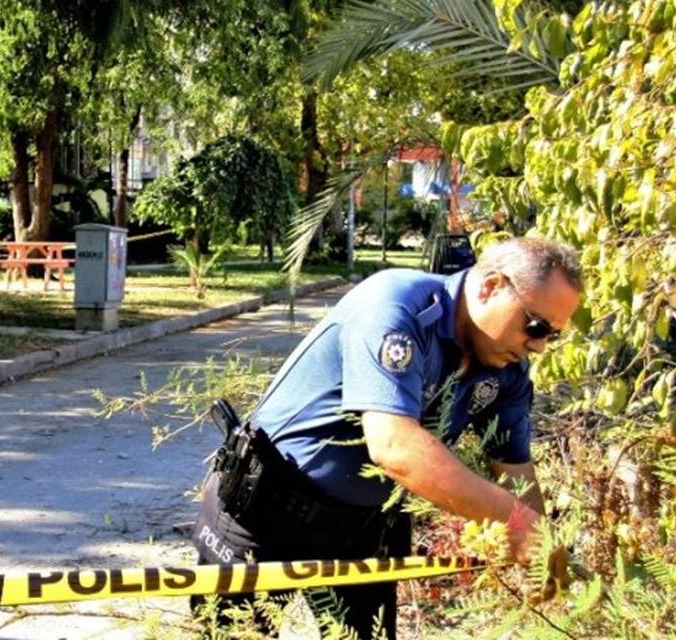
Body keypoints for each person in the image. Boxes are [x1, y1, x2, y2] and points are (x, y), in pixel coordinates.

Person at [190, 237, 583, 639]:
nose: (538, 346)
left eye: (552, 335)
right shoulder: (396, 308)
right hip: (263, 511)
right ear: (491, 287)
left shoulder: (507, 371)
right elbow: (394, 447)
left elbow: (514, 470)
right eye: (535, 326)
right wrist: (516, 522)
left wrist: (540, 540)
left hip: (360, 528)